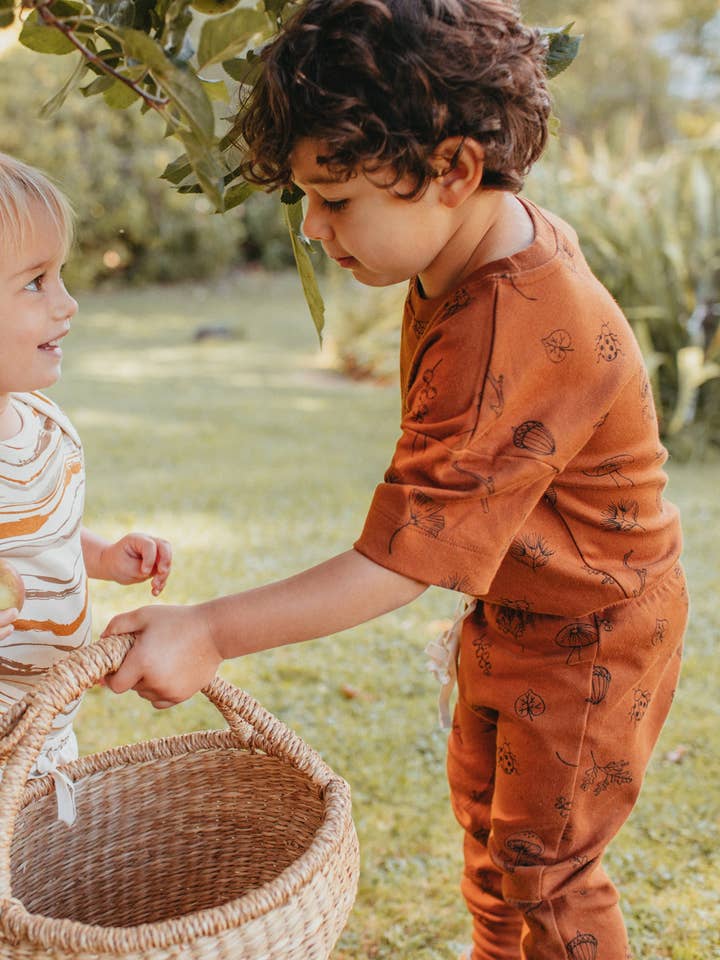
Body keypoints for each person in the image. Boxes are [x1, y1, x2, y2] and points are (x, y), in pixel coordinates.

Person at [102, 2, 688, 958]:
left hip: (591, 636)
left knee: (548, 871)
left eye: (336, 200)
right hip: (514, 611)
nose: (319, 231)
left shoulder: (511, 318)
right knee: (496, 841)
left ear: (451, 170)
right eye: (307, 201)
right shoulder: (468, 247)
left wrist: (206, 629)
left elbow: (400, 560)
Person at [0, 152, 172, 821]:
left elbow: (45, 531)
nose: (67, 302)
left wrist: (101, 556)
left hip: (46, 728)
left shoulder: (43, 426)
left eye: (60, 275)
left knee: (38, 886)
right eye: (35, 283)